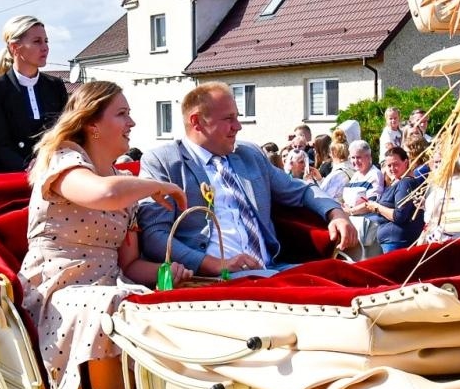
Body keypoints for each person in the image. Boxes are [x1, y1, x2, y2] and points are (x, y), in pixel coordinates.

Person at [18, 82, 188, 389]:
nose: (132, 123)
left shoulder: (121, 179)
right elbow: (105, 193)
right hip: (56, 290)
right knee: (112, 306)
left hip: (108, 288)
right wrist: (156, 184)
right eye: (122, 114)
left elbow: (130, 266)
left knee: (154, 304)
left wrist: (169, 272)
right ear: (92, 124)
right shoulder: (64, 160)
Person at [138, 82, 357, 277]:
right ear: (197, 122)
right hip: (211, 280)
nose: (238, 126)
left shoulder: (249, 155)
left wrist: (336, 213)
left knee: (350, 278)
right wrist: (214, 264)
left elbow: (299, 190)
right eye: (228, 118)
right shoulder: (164, 161)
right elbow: (155, 236)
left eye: (237, 117)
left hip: (272, 270)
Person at [0, 15, 69, 174]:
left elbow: (67, 132)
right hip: (14, 177)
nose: (45, 47)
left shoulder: (55, 86)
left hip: (54, 172)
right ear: (15, 47)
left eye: (46, 41)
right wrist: (27, 166)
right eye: (37, 41)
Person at [364, 146, 426, 253]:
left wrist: (377, 207)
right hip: (391, 241)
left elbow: (399, 216)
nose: (392, 168)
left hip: (397, 242)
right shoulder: (397, 183)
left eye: (395, 164)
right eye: (389, 165)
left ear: (406, 163)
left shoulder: (405, 183)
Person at [338, 140, 383, 214]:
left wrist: (351, 211)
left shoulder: (375, 175)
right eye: (353, 157)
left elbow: (372, 204)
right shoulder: (356, 175)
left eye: (358, 157)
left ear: (368, 157)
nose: (355, 161)